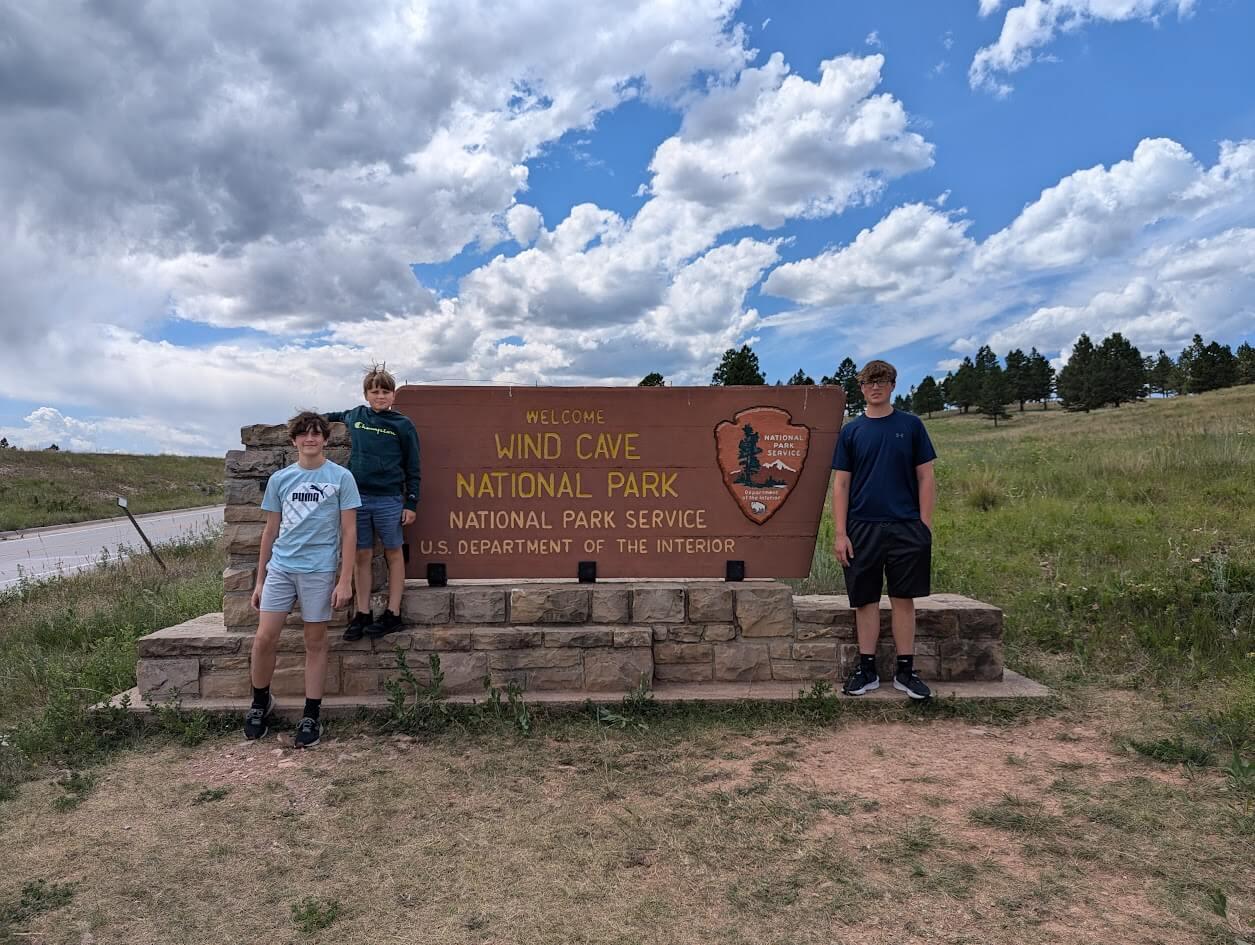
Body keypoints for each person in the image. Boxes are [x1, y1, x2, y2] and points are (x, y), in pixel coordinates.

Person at [246, 412, 361, 746]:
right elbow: (270, 531)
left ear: (325, 439)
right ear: (294, 440)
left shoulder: (341, 478)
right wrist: (260, 579)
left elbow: (350, 531)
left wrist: (345, 579)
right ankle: (260, 702)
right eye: (303, 434)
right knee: (264, 638)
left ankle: (311, 714)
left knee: (315, 642)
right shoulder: (280, 480)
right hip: (281, 568)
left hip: (319, 570)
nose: (310, 439)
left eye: (316, 434)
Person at [831, 360, 937, 699]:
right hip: (862, 527)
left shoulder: (912, 425)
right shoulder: (851, 432)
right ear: (861, 388)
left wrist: (924, 525)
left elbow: (926, 476)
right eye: (868, 382)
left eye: (882, 381)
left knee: (903, 599)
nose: (875, 387)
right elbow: (841, 485)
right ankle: (867, 670)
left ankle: (906, 672)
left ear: (893, 385)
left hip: (907, 526)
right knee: (866, 601)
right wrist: (840, 532)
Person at [323, 366, 421, 641]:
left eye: (385, 391)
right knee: (361, 555)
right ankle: (363, 613)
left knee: (393, 552)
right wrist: (309, 421)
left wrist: (411, 503)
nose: (380, 396)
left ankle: (393, 613)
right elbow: (331, 418)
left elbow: (413, 465)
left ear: (393, 394)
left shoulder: (403, 424)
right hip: (358, 498)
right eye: (374, 391)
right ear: (366, 394)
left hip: (390, 498)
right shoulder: (356, 415)